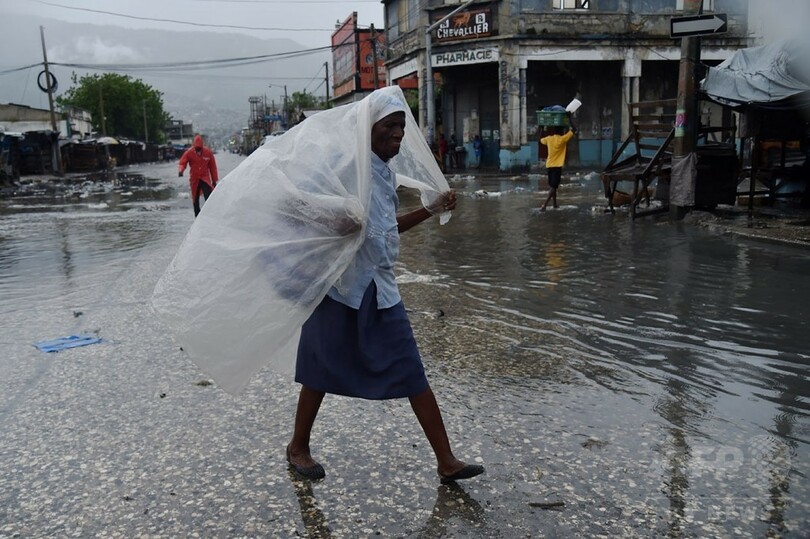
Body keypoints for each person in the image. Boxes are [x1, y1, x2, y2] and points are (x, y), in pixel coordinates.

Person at [286, 90, 485, 485]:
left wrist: (430, 209)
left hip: (380, 286)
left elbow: (384, 227)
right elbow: (297, 204)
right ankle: (297, 447)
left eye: (402, 127)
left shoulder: (384, 172)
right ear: (368, 127)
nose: (398, 133)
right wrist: (336, 220)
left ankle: (446, 460)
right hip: (341, 286)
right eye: (390, 125)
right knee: (319, 370)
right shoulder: (345, 166)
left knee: (411, 369)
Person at [539, 120, 576, 211]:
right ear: (561, 131)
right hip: (557, 166)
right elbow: (574, 129)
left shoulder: (549, 139)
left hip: (549, 165)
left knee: (553, 186)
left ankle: (555, 204)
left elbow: (541, 139)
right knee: (553, 186)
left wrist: (542, 128)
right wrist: (569, 118)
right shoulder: (562, 139)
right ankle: (544, 205)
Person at [178, 134, 218, 217]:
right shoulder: (189, 153)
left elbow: (213, 167)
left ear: (202, 147)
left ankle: (209, 214)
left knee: (208, 196)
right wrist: (181, 171)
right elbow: (182, 163)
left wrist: (214, 180)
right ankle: (197, 216)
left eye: (199, 149)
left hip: (205, 178)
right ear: (194, 147)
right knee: (195, 199)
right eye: (196, 149)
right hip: (194, 179)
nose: (198, 151)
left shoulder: (208, 153)